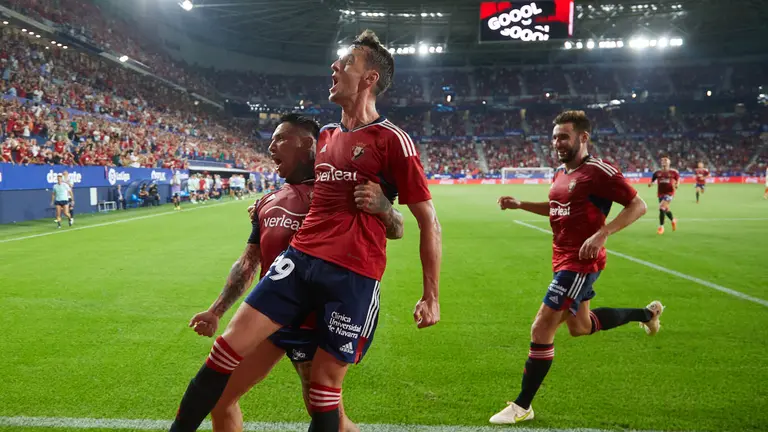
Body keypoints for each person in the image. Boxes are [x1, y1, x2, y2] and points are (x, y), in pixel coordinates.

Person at [169, 30, 442, 432]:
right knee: (223, 351)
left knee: (322, 395)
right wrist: (268, 207)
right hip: (299, 262)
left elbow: (424, 221)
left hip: (353, 274)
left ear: (369, 79)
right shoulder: (328, 136)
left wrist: (430, 295)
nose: (335, 67)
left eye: (347, 63)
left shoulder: (392, 141)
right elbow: (295, 179)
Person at [190, 114, 405, 432]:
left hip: (317, 324)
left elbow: (397, 227)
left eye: (280, 139)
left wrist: (385, 207)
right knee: (220, 400)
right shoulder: (270, 201)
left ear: (309, 144)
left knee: (329, 415)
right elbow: (249, 260)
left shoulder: (339, 191)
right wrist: (215, 311)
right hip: (270, 318)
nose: (270, 147)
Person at [492, 110, 664, 425]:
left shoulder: (599, 172)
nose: (557, 142)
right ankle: (647, 314)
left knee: (541, 327)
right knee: (580, 327)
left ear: (583, 137)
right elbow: (556, 208)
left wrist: (603, 233)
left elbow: (638, 205)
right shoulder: (560, 173)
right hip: (562, 259)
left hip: (581, 262)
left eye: (564, 136)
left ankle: (522, 406)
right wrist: (521, 204)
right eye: (555, 136)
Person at [649, 156, 680, 234]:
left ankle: (661, 227)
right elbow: (652, 180)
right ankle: (673, 220)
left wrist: (677, 184)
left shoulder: (674, 172)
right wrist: (651, 183)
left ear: (669, 162)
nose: (664, 161)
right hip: (660, 193)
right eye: (662, 160)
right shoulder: (657, 172)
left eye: (666, 160)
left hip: (669, 193)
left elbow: (678, 180)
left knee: (661, 208)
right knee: (665, 209)